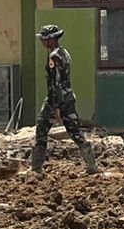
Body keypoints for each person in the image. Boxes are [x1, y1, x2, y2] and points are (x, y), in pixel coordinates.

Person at [31, 25, 99, 175]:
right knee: (75, 132)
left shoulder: (53, 57)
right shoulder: (64, 53)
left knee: (41, 130)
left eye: (44, 39)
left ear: (51, 39)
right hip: (68, 98)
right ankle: (91, 165)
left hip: (55, 99)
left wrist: (56, 108)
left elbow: (55, 83)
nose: (42, 42)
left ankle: (36, 168)